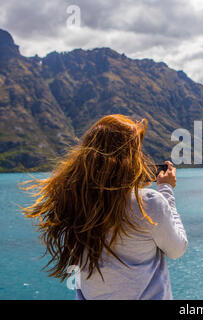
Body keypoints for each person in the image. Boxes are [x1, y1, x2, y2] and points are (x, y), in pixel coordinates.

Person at [21, 114, 188, 300]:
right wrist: (166, 190)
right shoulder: (148, 202)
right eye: (137, 150)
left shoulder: (75, 199)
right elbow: (177, 249)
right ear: (128, 158)